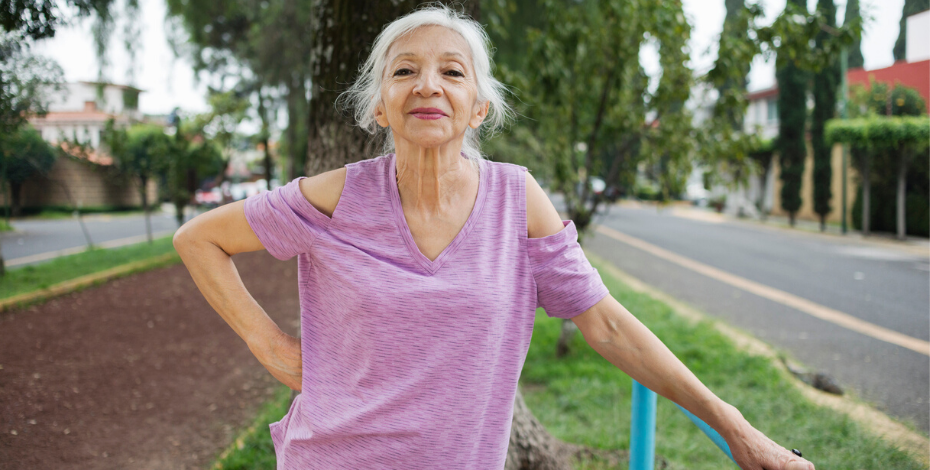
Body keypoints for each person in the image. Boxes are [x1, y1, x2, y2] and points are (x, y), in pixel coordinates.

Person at [173, 5, 814, 470]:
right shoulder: (336, 196)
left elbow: (607, 324)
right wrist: (274, 350)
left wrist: (737, 431)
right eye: (404, 72)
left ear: (478, 107)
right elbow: (199, 239)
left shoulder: (516, 199)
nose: (428, 84)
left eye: (452, 72)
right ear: (379, 106)